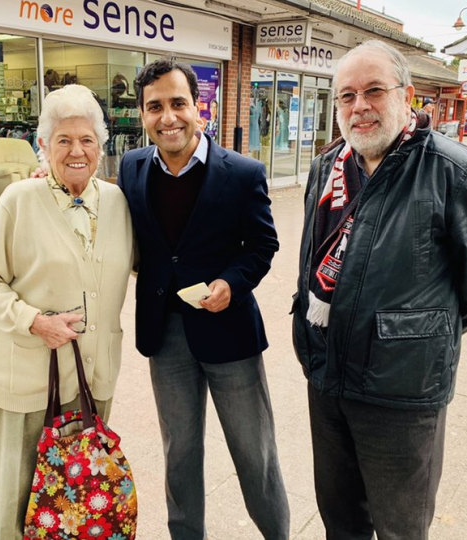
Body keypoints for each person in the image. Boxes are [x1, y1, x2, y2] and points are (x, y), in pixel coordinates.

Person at [293, 40, 467, 540]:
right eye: (347, 96)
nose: (360, 106)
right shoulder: (325, 167)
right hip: (327, 377)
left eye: (374, 91)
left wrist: (418, 333)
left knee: (400, 526)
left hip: (400, 390)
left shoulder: (454, 171)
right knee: (341, 520)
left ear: (408, 95)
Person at [117, 57, 290, 540]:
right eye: (155, 107)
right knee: (180, 452)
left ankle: (277, 534)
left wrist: (231, 284)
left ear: (199, 108)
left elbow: (262, 246)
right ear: (142, 114)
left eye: (178, 103)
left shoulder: (242, 173)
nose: (168, 116)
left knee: (255, 453)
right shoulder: (130, 168)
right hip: (165, 335)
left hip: (228, 332)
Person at [0, 84, 134, 540]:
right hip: (30, 381)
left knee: (80, 494)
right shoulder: (18, 201)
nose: (77, 151)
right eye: (63, 140)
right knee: (21, 504)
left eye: (87, 140)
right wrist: (34, 321)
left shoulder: (118, 203)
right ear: (43, 146)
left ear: (102, 146)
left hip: (91, 377)